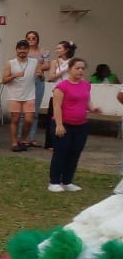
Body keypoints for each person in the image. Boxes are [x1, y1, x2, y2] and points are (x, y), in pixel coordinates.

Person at [48, 58, 100, 192]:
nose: (81, 71)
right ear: (70, 69)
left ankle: (67, 181)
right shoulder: (61, 87)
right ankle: (54, 182)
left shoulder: (86, 85)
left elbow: (86, 101)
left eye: (83, 68)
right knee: (61, 153)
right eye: (77, 68)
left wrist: (93, 109)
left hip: (81, 125)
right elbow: (57, 107)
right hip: (64, 124)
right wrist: (59, 125)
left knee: (75, 153)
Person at [2, 39, 39, 152]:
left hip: (29, 95)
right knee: (15, 120)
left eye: (25, 48)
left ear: (28, 50)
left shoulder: (34, 62)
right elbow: (4, 80)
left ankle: (22, 139)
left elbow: (40, 74)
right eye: (20, 48)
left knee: (29, 120)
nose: (22, 51)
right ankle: (14, 142)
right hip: (15, 95)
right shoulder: (11, 63)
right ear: (16, 50)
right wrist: (15, 75)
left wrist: (40, 76)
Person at [43, 39, 75, 149]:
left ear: (66, 50)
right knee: (53, 118)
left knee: (68, 117)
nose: (57, 50)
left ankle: (67, 141)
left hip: (70, 93)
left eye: (59, 48)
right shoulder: (54, 62)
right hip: (57, 92)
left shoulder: (73, 62)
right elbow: (51, 77)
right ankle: (51, 143)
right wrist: (64, 70)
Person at [24, 30, 49, 147]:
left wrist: (36, 68)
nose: (31, 40)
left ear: (37, 39)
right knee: (24, 110)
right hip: (25, 82)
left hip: (38, 81)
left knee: (35, 110)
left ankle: (32, 137)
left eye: (33, 38)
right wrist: (37, 66)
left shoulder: (43, 51)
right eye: (28, 38)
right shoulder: (23, 51)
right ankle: (21, 136)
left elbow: (48, 65)